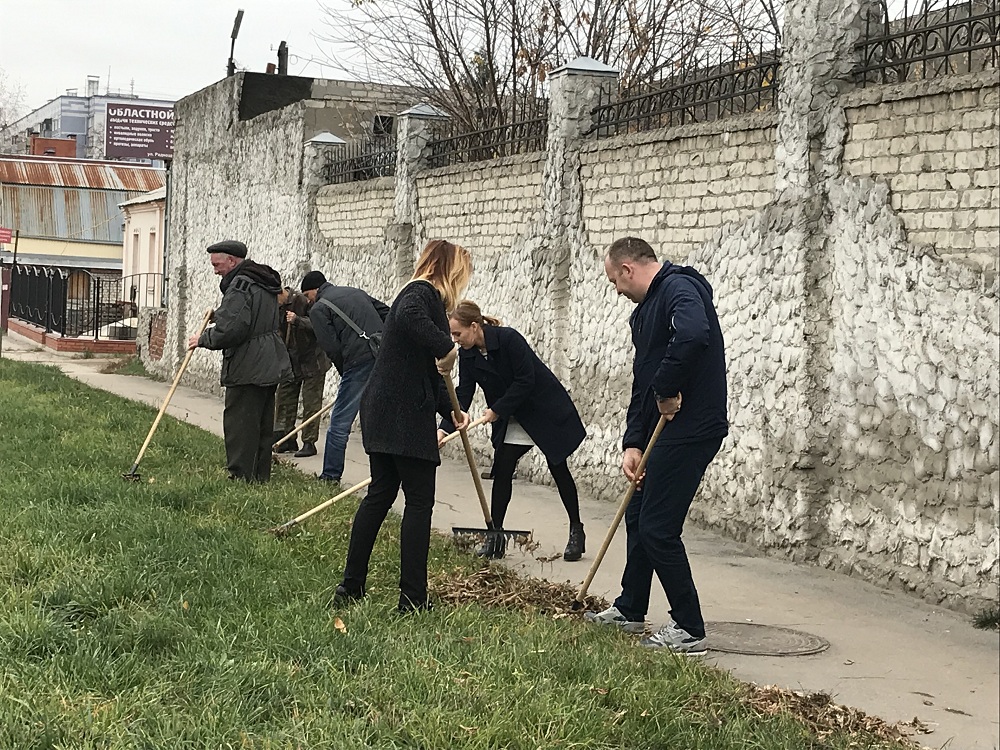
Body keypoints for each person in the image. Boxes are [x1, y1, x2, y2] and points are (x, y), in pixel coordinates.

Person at [585, 236, 728, 655]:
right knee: (638, 514)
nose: (616, 290)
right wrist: (633, 442)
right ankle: (631, 608)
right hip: (661, 431)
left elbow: (694, 335)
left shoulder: (680, 289)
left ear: (628, 269)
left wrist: (668, 390)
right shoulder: (645, 313)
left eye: (615, 280)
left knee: (658, 527)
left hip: (692, 429)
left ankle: (689, 628)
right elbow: (643, 381)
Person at [335, 239, 472, 613]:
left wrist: (451, 410)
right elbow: (424, 335)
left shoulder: (420, 297)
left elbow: (424, 369)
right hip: (402, 415)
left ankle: (352, 586)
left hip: (384, 409)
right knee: (418, 503)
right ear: (451, 270)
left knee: (380, 495)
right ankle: (412, 598)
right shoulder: (420, 293)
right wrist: (447, 345)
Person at [438, 300, 587, 561]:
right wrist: (444, 428)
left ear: (474, 327)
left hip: (540, 410)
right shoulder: (469, 354)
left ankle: (577, 530)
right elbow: (463, 393)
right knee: (504, 467)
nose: (455, 339)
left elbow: (525, 380)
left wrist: (496, 410)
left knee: (557, 466)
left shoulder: (509, 340)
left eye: (458, 334)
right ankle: (496, 537)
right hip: (512, 416)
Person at [187, 240, 291, 483]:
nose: (215, 270)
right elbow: (249, 316)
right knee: (263, 424)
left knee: (241, 423)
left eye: (217, 264)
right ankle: (259, 476)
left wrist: (203, 339)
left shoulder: (240, 285)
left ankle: (240, 476)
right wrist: (220, 315)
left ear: (232, 261)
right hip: (269, 359)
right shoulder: (263, 280)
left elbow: (233, 329)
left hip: (248, 363)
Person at [300, 271, 389, 484]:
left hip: (359, 363)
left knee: (339, 422)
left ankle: (330, 475)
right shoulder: (356, 292)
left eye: (307, 295)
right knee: (384, 419)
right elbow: (389, 313)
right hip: (384, 357)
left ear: (313, 290)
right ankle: (391, 476)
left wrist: (345, 371)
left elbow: (331, 347)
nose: (307, 300)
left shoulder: (319, 309)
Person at [272, 286, 331, 457]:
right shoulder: (275, 307)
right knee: (284, 398)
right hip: (291, 361)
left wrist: (298, 320)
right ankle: (286, 439)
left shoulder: (303, 301)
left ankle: (309, 442)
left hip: (313, 361)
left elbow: (319, 325)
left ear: (280, 293)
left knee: (311, 403)